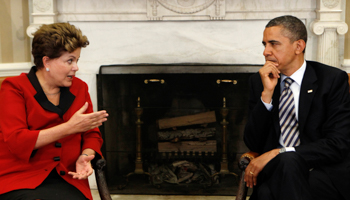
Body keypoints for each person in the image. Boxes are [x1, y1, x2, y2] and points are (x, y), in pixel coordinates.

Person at [243, 15, 350, 200]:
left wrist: (281, 152)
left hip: (321, 170)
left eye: (274, 44)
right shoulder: (258, 82)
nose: (266, 52)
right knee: (275, 182)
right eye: (264, 44)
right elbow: (253, 143)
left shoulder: (331, 80)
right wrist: (266, 96)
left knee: (269, 191)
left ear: (298, 46)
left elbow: (338, 143)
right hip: (277, 171)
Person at [0, 23, 108, 200]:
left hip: (67, 178)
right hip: (19, 177)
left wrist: (86, 155)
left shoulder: (80, 88)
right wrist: (70, 127)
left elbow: (91, 133)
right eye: (70, 61)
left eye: (77, 60)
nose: (76, 67)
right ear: (46, 61)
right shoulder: (14, 88)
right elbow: (17, 141)